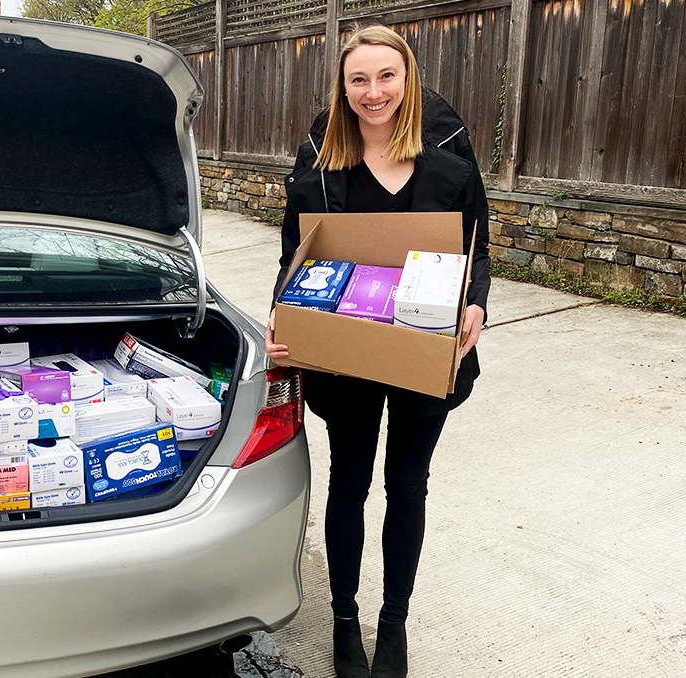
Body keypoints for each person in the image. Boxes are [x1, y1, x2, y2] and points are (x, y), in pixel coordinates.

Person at [264, 25, 491, 678]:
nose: (373, 92)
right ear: (344, 85)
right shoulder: (319, 153)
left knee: (408, 486)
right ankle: (344, 620)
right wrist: (283, 317)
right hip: (348, 349)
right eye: (358, 79)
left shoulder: (445, 143)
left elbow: (477, 232)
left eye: (386, 76)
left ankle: (394, 622)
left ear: (408, 77)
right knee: (351, 484)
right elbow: (295, 252)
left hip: (424, 348)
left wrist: (475, 301)